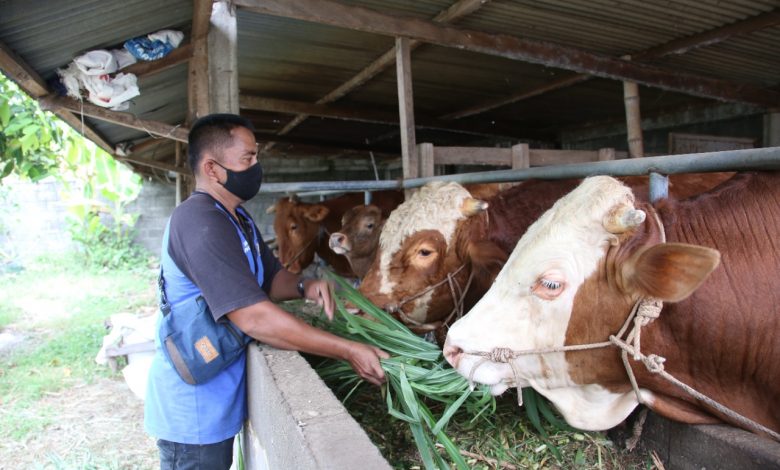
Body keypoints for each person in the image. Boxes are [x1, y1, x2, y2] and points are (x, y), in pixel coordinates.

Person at [144, 113, 388, 470]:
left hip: (220, 397)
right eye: (248, 158)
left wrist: (306, 285)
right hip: (194, 410)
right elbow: (254, 317)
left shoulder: (237, 219)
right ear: (213, 169)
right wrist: (349, 350)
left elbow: (271, 278)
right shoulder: (198, 221)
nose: (257, 166)